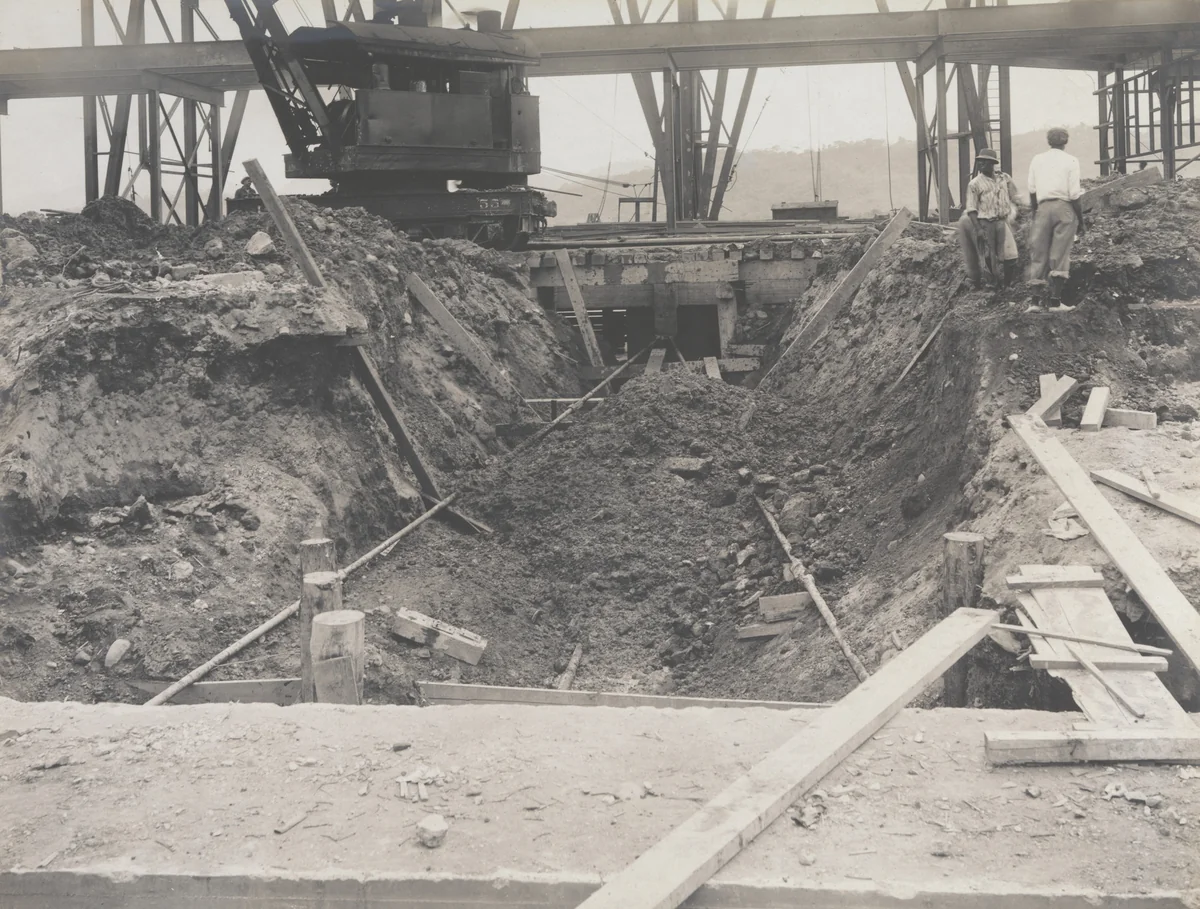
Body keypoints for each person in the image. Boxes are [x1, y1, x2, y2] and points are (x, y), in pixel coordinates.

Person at [1027, 127, 1085, 307]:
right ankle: (1055, 302)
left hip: (1042, 208)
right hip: (1064, 208)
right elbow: (1074, 194)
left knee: (1038, 254)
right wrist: (1081, 220)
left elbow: (1032, 189)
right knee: (1060, 254)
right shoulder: (1072, 161)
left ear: (1048, 141)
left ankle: (1035, 303)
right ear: (1065, 142)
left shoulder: (1037, 159)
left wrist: (1036, 212)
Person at [958, 148, 1022, 288]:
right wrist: (978, 229)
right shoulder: (975, 184)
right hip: (985, 222)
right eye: (979, 162)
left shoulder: (1004, 178)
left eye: (984, 162)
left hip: (1001, 221)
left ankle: (1007, 285)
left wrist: (1021, 207)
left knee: (1010, 255)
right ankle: (994, 284)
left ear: (992, 163)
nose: (981, 164)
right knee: (988, 255)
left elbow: (1015, 196)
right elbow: (971, 208)